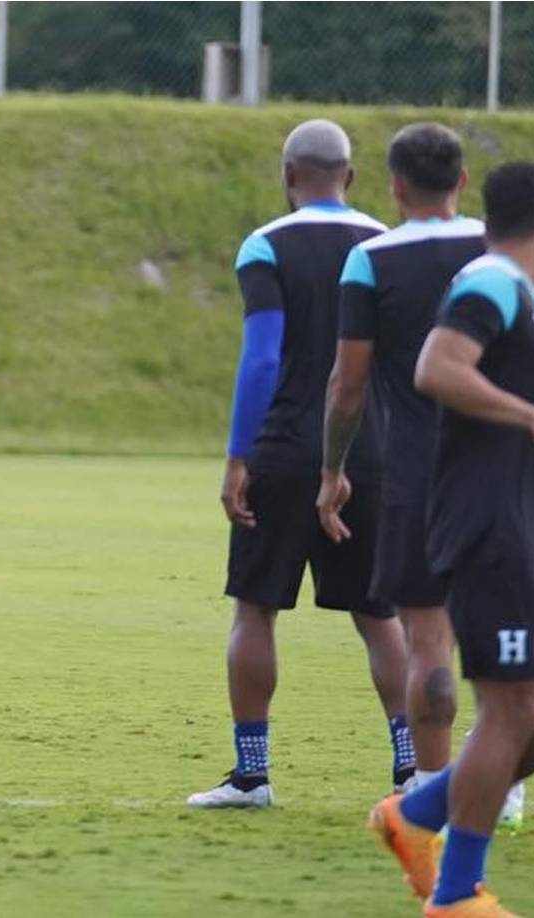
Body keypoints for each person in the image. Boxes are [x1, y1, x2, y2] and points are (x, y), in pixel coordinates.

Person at [369, 162, 534, 918]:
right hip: (488, 528)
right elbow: (437, 366)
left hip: (527, 527)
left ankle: (415, 814)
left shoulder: (518, 291)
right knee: (513, 710)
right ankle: (456, 894)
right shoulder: (489, 281)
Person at [188, 120, 412, 809]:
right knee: (381, 615)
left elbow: (262, 357)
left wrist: (236, 456)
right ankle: (412, 769)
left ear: (288, 175)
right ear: (351, 175)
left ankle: (252, 774)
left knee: (256, 609)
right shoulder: (386, 243)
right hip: (371, 451)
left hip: (283, 451)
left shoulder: (267, 245)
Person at [320, 123, 534, 829]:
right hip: (501, 475)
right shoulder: (498, 252)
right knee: (502, 629)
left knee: (428, 641)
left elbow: (348, 385)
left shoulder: (369, 259)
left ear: (396, 186)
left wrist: (332, 471)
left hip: (414, 480)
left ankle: (433, 785)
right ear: (464, 182)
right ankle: (499, 781)